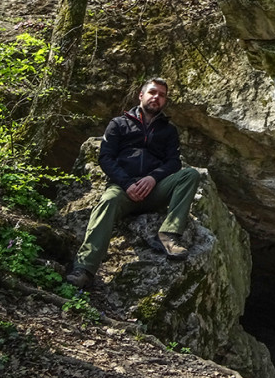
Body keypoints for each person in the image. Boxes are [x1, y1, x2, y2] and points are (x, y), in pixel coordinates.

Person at [66, 77, 200, 289]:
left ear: (165, 101)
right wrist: (127, 183)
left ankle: (169, 236)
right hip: (123, 190)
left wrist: (152, 177)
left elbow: (173, 162)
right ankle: (85, 268)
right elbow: (106, 158)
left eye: (162, 95)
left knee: (190, 175)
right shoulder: (118, 124)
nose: (156, 97)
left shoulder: (168, 130)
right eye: (152, 92)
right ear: (141, 95)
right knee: (107, 201)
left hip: (154, 190)